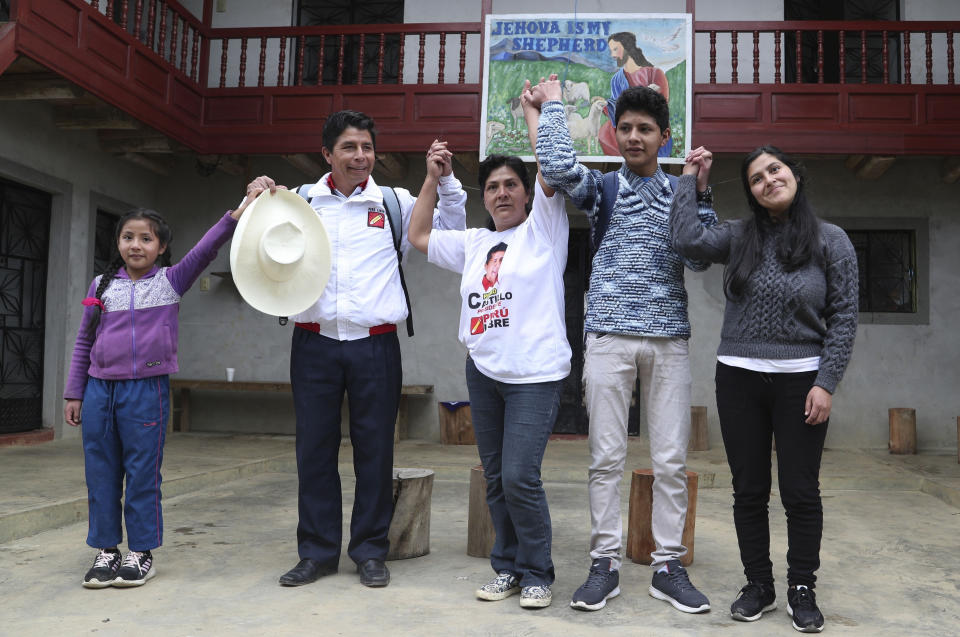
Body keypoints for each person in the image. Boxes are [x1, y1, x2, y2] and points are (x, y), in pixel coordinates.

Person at [245, 111, 467, 590]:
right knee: (315, 452)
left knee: (375, 452)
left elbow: (449, 230)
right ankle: (317, 553)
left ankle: (370, 551)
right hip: (314, 341)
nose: (360, 156)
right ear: (327, 154)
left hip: (376, 344)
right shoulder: (300, 201)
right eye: (349, 147)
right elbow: (255, 244)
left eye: (367, 147)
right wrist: (255, 197)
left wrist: (443, 182)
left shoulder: (394, 201)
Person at [532, 79, 716, 614]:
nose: (634, 137)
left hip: (668, 342)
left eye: (646, 129)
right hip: (609, 336)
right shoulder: (602, 189)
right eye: (627, 128)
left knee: (670, 459)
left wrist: (701, 191)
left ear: (665, 137)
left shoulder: (682, 191)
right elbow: (559, 167)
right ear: (615, 134)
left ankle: (668, 567)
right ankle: (604, 564)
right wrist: (552, 108)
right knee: (605, 457)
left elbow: (701, 258)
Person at [671, 145, 858, 633]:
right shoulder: (739, 236)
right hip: (737, 377)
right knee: (748, 491)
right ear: (751, 193)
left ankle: (802, 587)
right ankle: (758, 584)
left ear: (794, 173)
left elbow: (843, 319)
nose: (768, 180)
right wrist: (692, 178)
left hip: (803, 381)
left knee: (800, 491)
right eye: (756, 178)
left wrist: (827, 382)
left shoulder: (831, 241)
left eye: (774, 169)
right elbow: (686, 239)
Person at [407, 80, 571, 609]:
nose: (502, 192)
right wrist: (434, 180)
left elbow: (548, 167)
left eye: (511, 184)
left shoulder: (544, 230)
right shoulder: (476, 243)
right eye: (493, 186)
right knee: (497, 478)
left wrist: (536, 112)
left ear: (527, 193)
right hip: (484, 371)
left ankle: (538, 571)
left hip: (535, 376)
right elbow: (418, 236)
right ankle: (508, 567)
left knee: (522, 476)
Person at [64, 204, 249, 588]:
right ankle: (106, 551)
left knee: (142, 473)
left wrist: (238, 212)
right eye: (128, 237)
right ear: (118, 242)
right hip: (99, 390)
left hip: (145, 391)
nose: (136, 245)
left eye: (146, 238)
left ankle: (141, 552)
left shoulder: (171, 282)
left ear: (161, 246)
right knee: (100, 472)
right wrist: (74, 393)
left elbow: (205, 249)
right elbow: (84, 340)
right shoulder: (101, 285)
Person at [598, 31, 671, 158]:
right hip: (624, 124)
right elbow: (617, 106)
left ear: (627, 48)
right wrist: (606, 105)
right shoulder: (617, 78)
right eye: (611, 50)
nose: (613, 55)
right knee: (604, 133)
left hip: (648, 123)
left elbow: (662, 103)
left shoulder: (654, 73)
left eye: (615, 49)